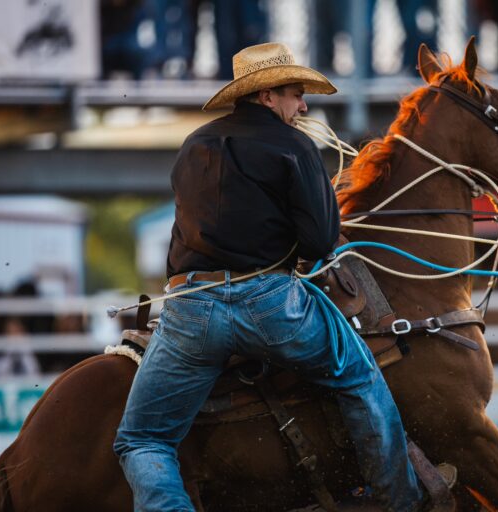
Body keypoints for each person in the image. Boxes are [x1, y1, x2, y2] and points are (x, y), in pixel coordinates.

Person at [113, 42, 439, 511]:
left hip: (190, 306)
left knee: (142, 438)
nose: (303, 104)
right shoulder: (295, 146)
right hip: (270, 305)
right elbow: (321, 241)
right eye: (295, 93)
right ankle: (401, 500)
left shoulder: (194, 145)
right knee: (358, 375)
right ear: (267, 96)